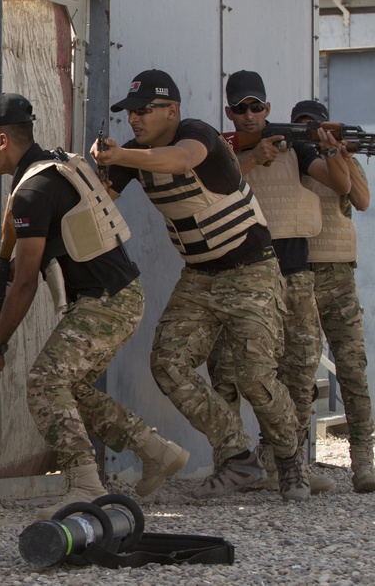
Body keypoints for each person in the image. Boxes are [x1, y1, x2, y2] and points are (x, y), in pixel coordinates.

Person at [0, 93, 189, 519]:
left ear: (1, 140)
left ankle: (84, 485)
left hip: (106, 302)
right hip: (118, 296)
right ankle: (156, 451)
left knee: (46, 383)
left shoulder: (32, 190)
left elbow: (26, 281)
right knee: (75, 389)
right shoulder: (53, 167)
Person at [91, 69, 309, 502]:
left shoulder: (197, 134)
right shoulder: (135, 153)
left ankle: (288, 460)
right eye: (130, 113)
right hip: (200, 277)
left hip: (252, 270)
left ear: (172, 110)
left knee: (254, 376)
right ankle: (237, 458)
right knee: (168, 364)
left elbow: (180, 160)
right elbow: (100, 198)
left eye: (144, 111)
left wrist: (121, 158)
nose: (134, 120)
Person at [206, 72, 348, 495]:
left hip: (293, 271)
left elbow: (341, 186)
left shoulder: (298, 148)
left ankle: (281, 462)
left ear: (268, 110)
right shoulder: (219, 150)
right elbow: (214, 190)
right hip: (241, 274)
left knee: (300, 370)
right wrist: (254, 157)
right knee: (229, 372)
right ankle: (233, 463)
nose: (250, 116)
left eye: (257, 107)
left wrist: (334, 150)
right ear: (230, 113)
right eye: (241, 108)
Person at [294, 99, 375, 494]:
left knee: (353, 371)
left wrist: (336, 155)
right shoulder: (290, 160)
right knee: (299, 373)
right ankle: (295, 462)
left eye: (316, 126)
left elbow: (361, 200)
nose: (311, 131)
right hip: (302, 275)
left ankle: (363, 461)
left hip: (339, 277)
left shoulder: (339, 158)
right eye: (304, 127)